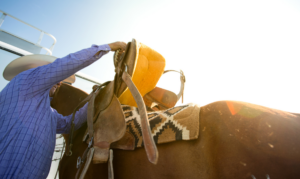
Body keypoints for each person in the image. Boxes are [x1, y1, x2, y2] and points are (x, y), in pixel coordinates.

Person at [0, 41, 126, 178]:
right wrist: (108, 47)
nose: (60, 83)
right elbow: (65, 65)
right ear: (40, 71)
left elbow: (71, 123)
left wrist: (95, 98)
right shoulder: (24, 81)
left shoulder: (49, 114)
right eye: (57, 78)